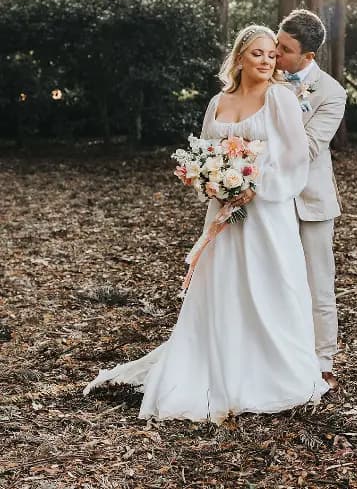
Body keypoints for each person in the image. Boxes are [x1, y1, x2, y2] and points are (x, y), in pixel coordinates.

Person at [83, 25, 329, 424]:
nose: (267, 61)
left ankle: (275, 371)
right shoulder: (219, 101)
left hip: (266, 213)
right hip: (223, 214)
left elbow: (295, 158)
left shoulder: (280, 99)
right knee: (223, 287)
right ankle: (216, 362)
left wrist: (256, 185)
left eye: (272, 55)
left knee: (270, 285)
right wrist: (214, 183)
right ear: (239, 58)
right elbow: (205, 152)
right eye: (257, 54)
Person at [276, 9, 347, 390]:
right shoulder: (263, 78)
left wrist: (278, 109)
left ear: (308, 57)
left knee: (318, 282)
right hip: (268, 200)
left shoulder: (332, 92)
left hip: (312, 202)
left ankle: (323, 360)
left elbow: (311, 147)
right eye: (276, 42)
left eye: (285, 50)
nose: (275, 53)